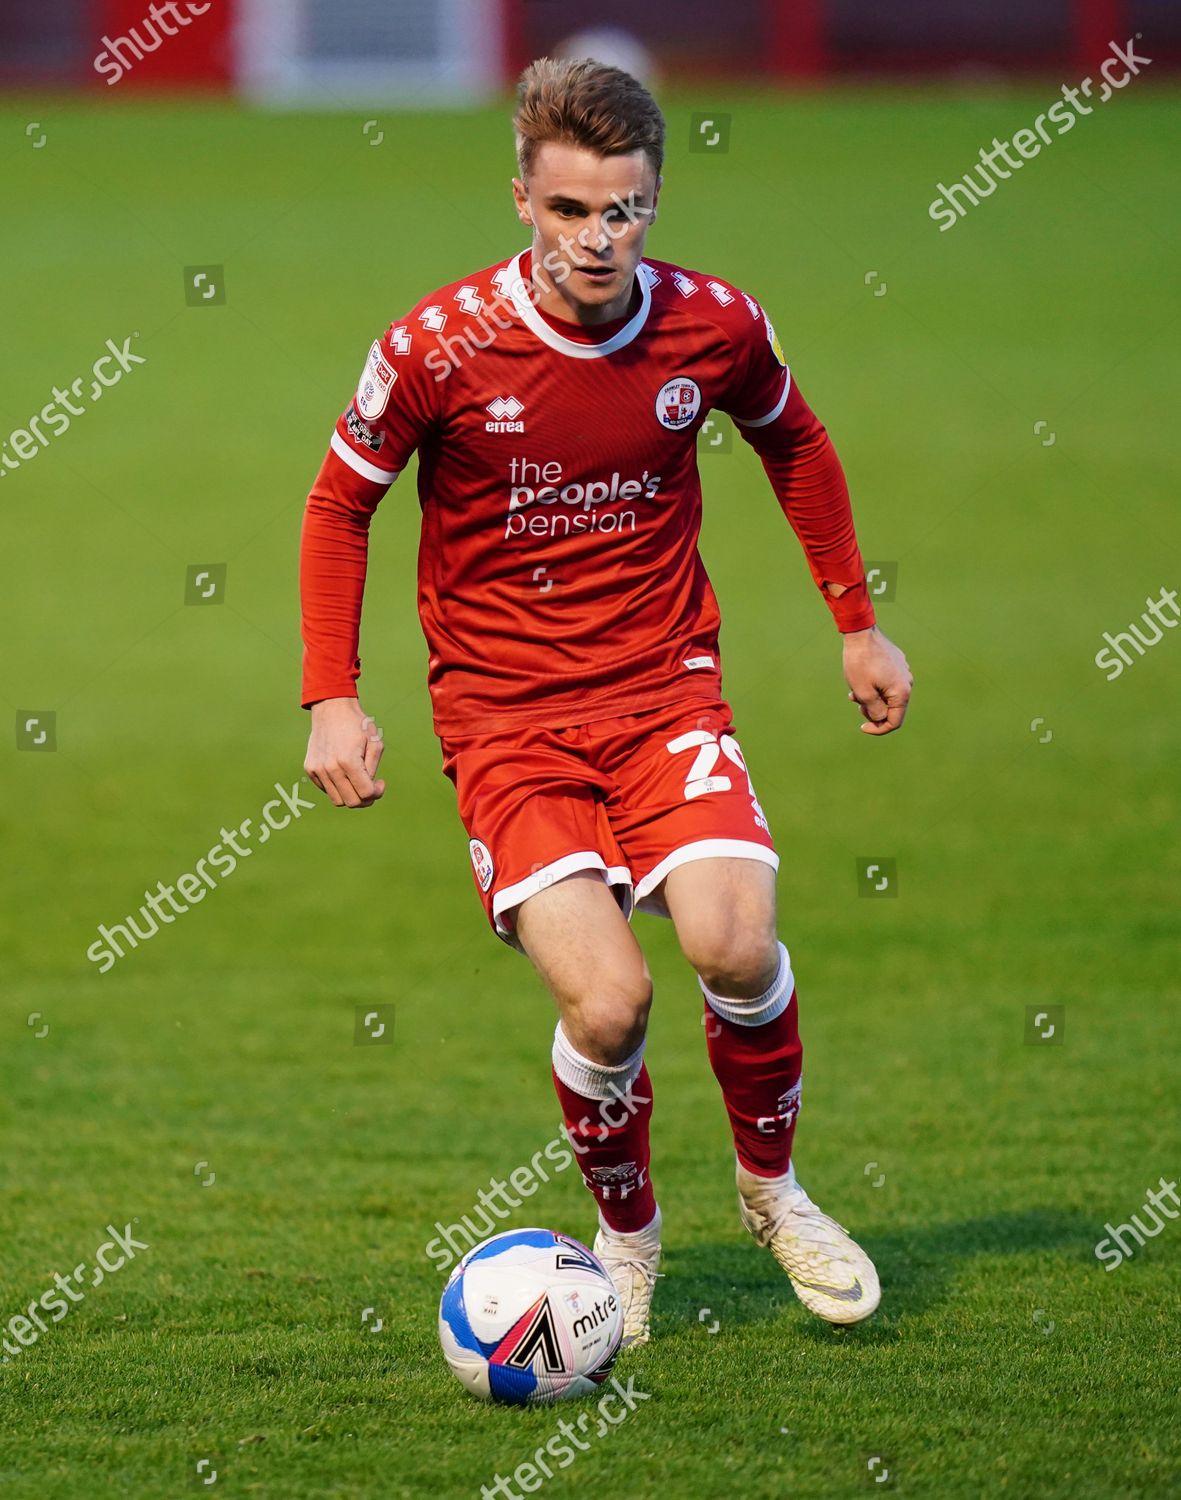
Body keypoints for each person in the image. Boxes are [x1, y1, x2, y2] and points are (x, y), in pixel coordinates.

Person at [299, 56, 913, 1347]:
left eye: (623, 209)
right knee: (611, 1003)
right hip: (505, 720)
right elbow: (339, 503)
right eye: (571, 210)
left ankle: (772, 1191)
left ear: (653, 201)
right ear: (521, 198)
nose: (598, 237)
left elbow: (792, 441)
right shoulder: (436, 346)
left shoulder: (714, 326)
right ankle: (624, 1240)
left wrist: (854, 621)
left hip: (663, 692)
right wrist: (331, 699)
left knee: (735, 946)